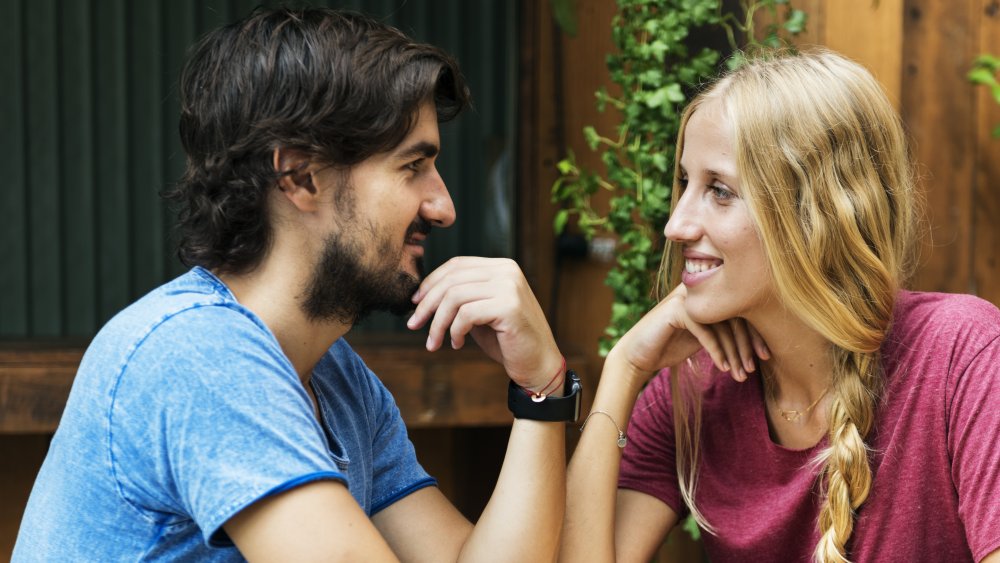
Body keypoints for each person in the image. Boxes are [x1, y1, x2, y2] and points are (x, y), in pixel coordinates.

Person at [14, 8, 578, 562]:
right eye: (412, 166)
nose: (444, 206)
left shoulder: (336, 379)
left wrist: (542, 387)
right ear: (300, 176)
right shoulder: (197, 353)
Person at [562, 50, 1000, 562]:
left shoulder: (962, 354)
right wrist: (624, 368)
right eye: (685, 184)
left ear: (815, 213)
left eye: (720, 191)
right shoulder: (696, 390)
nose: (676, 225)